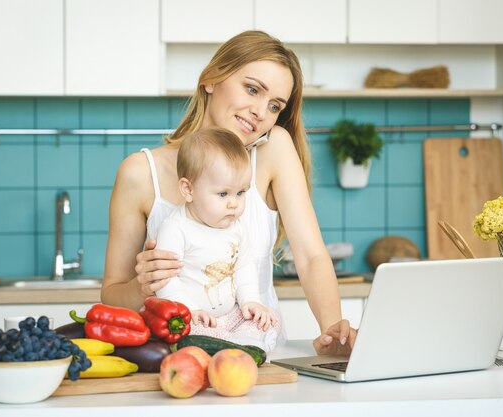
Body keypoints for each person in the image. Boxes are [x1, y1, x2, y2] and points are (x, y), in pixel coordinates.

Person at [102, 30, 356, 354]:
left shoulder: (272, 150)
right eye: (252, 89)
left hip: (260, 359)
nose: (261, 112)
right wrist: (142, 287)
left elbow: (311, 256)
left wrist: (333, 332)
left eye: (275, 105)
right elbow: (111, 294)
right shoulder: (140, 173)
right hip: (177, 361)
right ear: (211, 78)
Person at [154, 127, 279, 350]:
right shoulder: (176, 228)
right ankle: (231, 346)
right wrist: (190, 310)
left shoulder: (236, 226)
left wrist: (251, 301)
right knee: (188, 335)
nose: (234, 203)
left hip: (228, 316)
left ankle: (242, 343)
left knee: (264, 320)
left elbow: (244, 267)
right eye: (223, 194)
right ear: (188, 189)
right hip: (193, 317)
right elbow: (166, 280)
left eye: (241, 193)